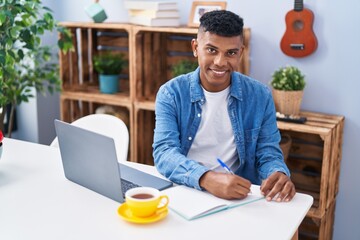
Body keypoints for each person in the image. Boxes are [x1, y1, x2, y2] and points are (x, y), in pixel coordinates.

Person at [152, 10, 296, 202]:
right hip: (185, 188)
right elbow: (164, 152)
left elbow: (268, 151)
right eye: (211, 50)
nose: (220, 62)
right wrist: (206, 178)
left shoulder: (260, 96)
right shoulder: (171, 93)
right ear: (195, 48)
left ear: (241, 53)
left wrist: (278, 172)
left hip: (236, 195)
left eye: (231, 53)